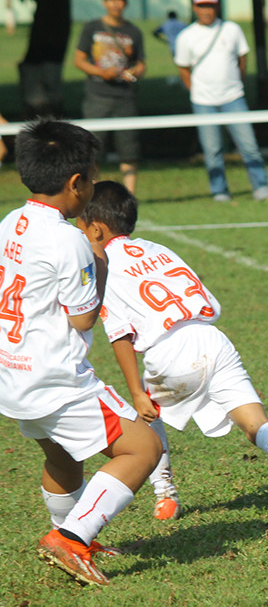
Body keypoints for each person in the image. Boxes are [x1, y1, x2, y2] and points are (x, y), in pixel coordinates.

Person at [78, 181, 268, 531]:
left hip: (169, 350)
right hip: (212, 339)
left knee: (147, 417)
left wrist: (137, 391)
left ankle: (165, 493)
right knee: (255, 424)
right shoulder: (159, 249)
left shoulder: (103, 263)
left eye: (79, 226)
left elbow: (120, 333)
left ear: (95, 228)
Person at [0, 120, 161, 586]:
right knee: (142, 448)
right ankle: (71, 538)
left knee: (63, 458)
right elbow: (82, 319)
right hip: (57, 379)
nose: (93, 186)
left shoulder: (11, 220)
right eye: (91, 178)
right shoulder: (69, 239)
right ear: (76, 184)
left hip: (13, 376)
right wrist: (101, 263)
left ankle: (69, 531)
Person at [173, 0, 268, 202]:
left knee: (249, 146)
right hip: (203, 101)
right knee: (212, 151)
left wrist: (236, 83)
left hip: (234, 98)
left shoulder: (232, 29)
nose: (206, 10)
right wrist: (196, 91)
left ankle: (262, 189)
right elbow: (183, 68)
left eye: (210, 5)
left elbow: (242, 59)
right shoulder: (186, 36)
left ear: (217, 6)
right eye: (202, 6)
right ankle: (220, 192)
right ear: (194, 8)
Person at [73, 0, 145, 194]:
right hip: (98, 97)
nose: (116, 4)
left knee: (129, 150)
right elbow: (79, 60)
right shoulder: (92, 27)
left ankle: (130, 196)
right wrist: (100, 73)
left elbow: (141, 63)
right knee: (93, 151)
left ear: (125, 3)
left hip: (125, 97)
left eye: (120, 0)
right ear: (105, 3)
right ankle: (92, 194)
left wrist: (135, 72)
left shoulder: (133, 31)